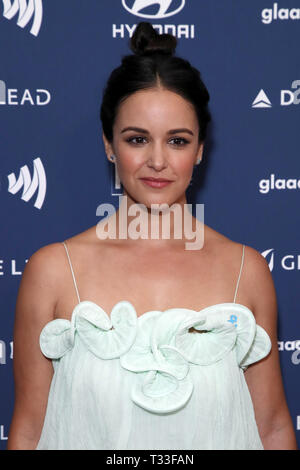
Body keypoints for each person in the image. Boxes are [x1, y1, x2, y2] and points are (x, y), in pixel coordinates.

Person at [7, 22, 297, 450]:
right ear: (109, 145)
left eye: (177, 141)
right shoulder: (52, 270)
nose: (157, 160)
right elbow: (30, 429)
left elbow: (271, 427)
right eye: (137, 139)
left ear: (200, 149)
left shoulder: (245, 271)